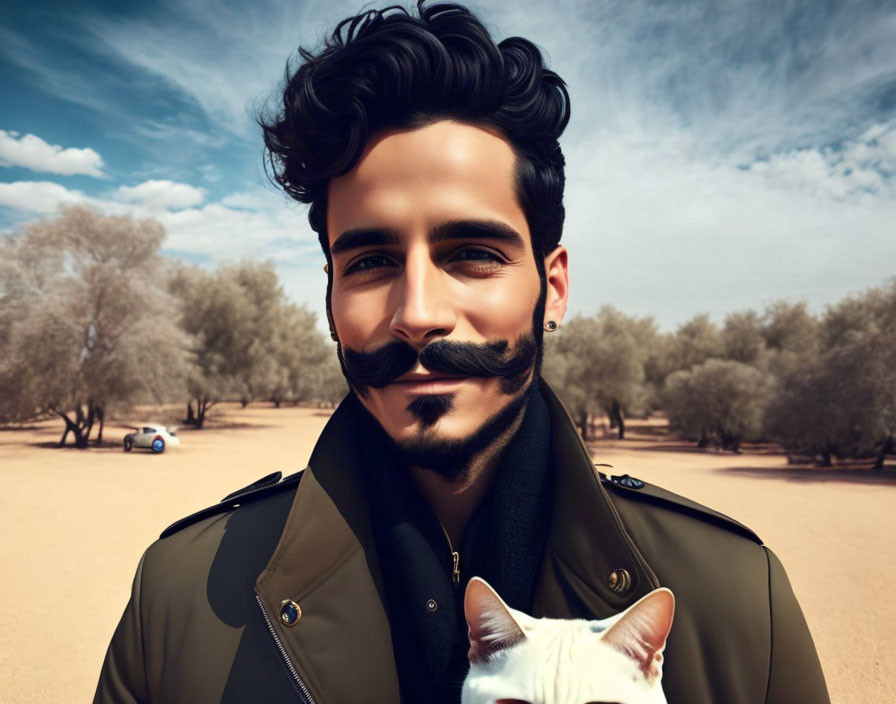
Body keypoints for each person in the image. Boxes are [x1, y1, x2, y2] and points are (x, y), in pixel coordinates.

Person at [94, 2, 830, 702]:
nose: (416, 315)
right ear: (330, 294)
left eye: (473, 254)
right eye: (370, 263)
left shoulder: (738, 605)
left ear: (554, 287)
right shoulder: (180, 601)